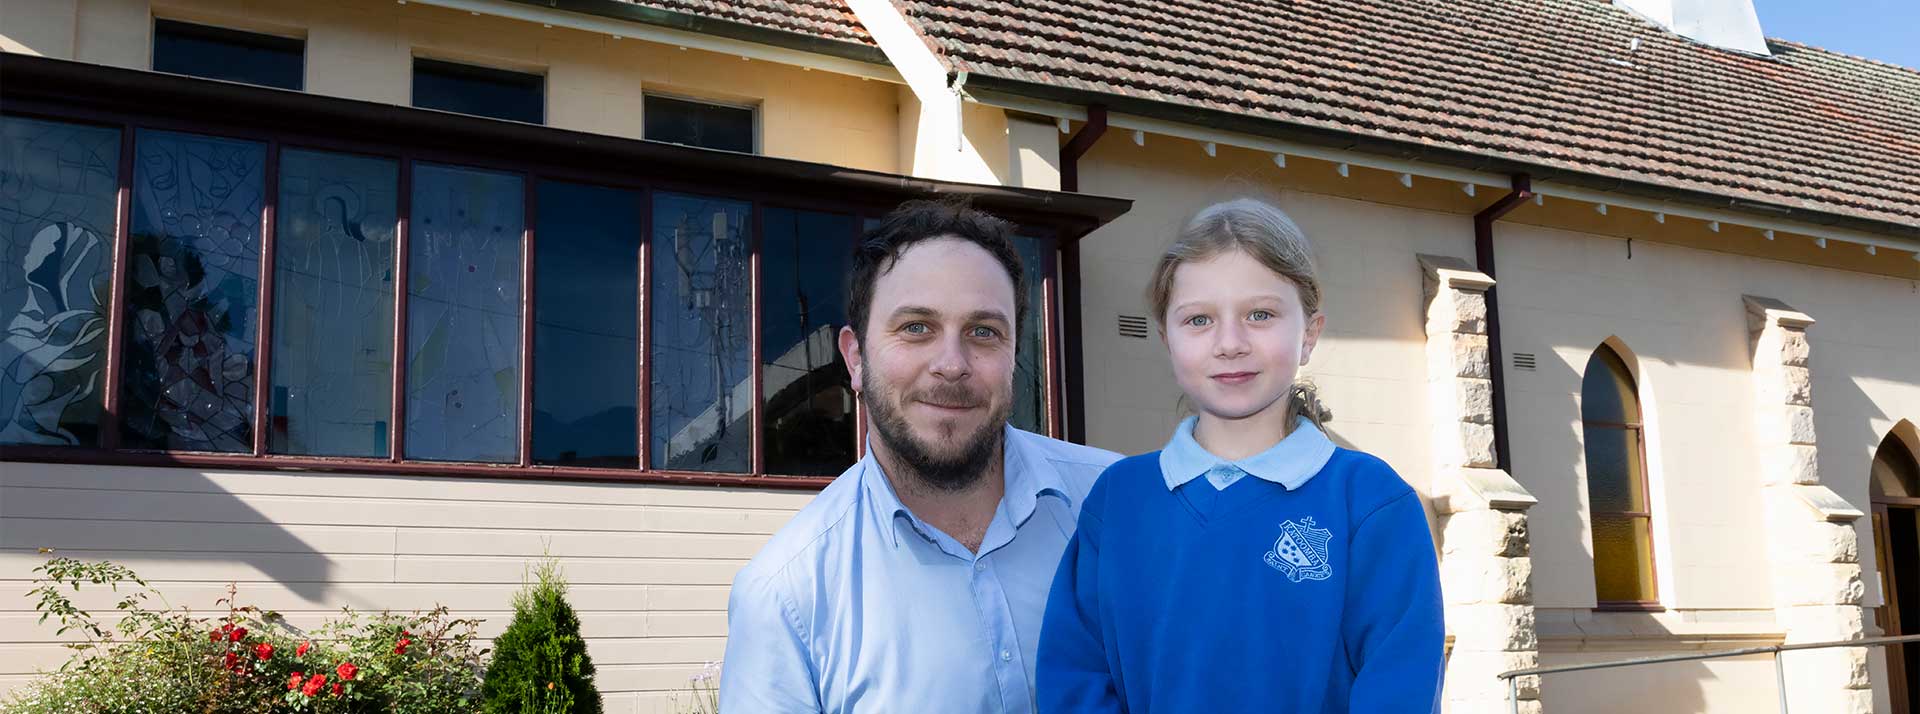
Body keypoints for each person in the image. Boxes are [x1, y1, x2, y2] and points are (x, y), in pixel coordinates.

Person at [1037, 198, 1444, 713]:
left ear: (1310, 334)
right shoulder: (1118, 501)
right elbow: (1074, 678)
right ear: (1167, 338)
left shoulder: (1370, 502)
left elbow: (1399, 686)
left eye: (1260, 314)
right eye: (1199, 319)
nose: (1229, 343)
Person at [721, 200, 1122, 713]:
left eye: (984, 331)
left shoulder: (1116, 506)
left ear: (1013, 354)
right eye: (916, 327)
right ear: (855, 358)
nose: (951, 364)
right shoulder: (786, 596)